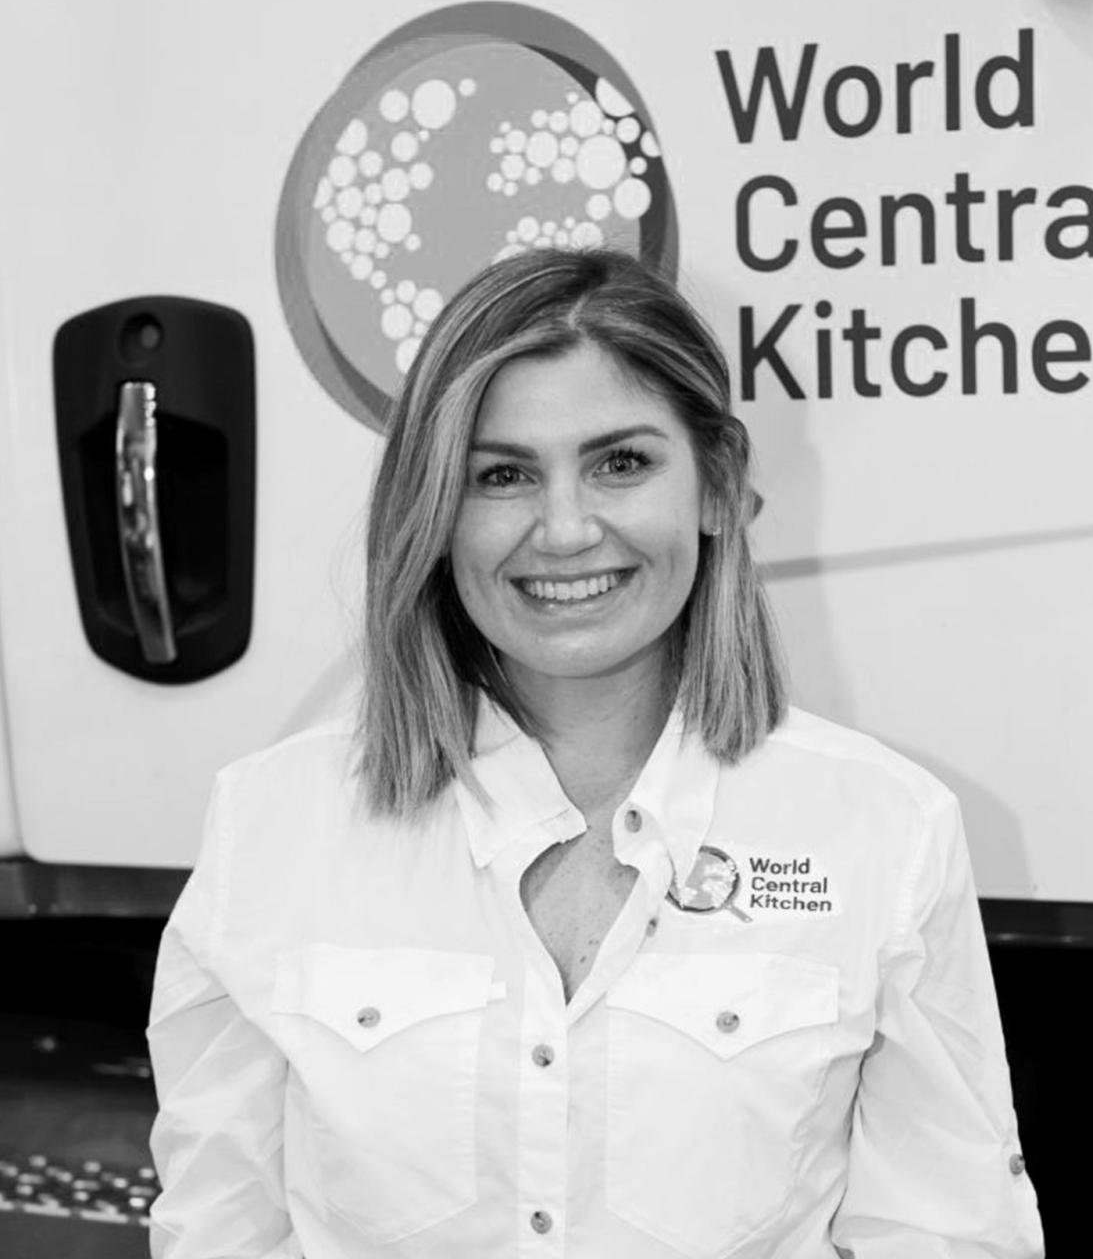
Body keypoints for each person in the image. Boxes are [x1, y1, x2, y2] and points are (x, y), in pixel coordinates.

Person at [146, 246, 1044, 1258]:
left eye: (621, 462)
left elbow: (947, 1235)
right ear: (434, 513)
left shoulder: (884, 827)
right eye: (502, 475)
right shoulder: (276, 821)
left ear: (717, 486)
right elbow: (217, 1230)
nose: (565, 529)